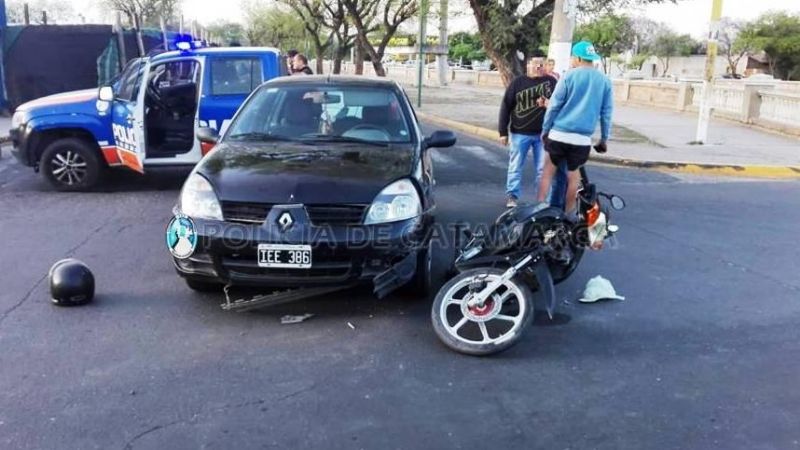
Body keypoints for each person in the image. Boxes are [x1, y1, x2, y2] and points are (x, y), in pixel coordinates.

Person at [537, 41, 613, 217]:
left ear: (578, 58)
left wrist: (545, 130)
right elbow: (606, 113)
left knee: (553, 177)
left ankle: (548, 214)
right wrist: (604, 139)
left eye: (572, 57)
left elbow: (554, 106)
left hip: (559, 135)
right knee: (574, 180)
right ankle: (568, 216)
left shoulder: (568, 77)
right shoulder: (604, 81)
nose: (571, 61)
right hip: (581, 141)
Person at [498, 57, 559, 208]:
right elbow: (506, 106)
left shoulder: (552, 83)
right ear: (528, 65)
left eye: (542, 64)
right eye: (536, 63)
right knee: (516, 166)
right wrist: (503, 132)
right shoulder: (518, 83)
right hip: (520, 133)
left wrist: (548, 105)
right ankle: (512, 196)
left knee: (542, 169)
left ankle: (543, 200)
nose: (539, 66)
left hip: (543, 135)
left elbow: (560, 105)